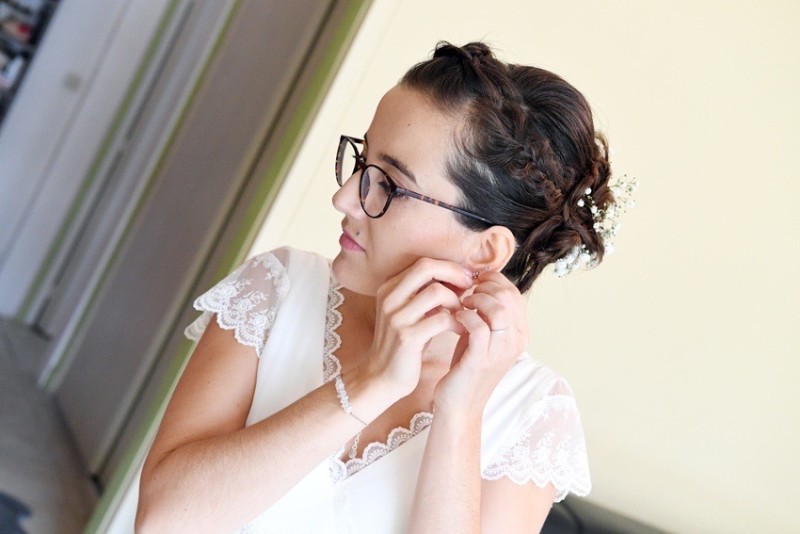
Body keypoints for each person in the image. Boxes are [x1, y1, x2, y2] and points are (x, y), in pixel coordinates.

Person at [136, 41, 634, 533]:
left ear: (485, 251)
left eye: (390, 186)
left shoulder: (533, 413)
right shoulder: (274, 289)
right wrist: (370, 382)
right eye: (361, 163)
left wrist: (459, 414)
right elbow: (162, 521)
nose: (344, 198)